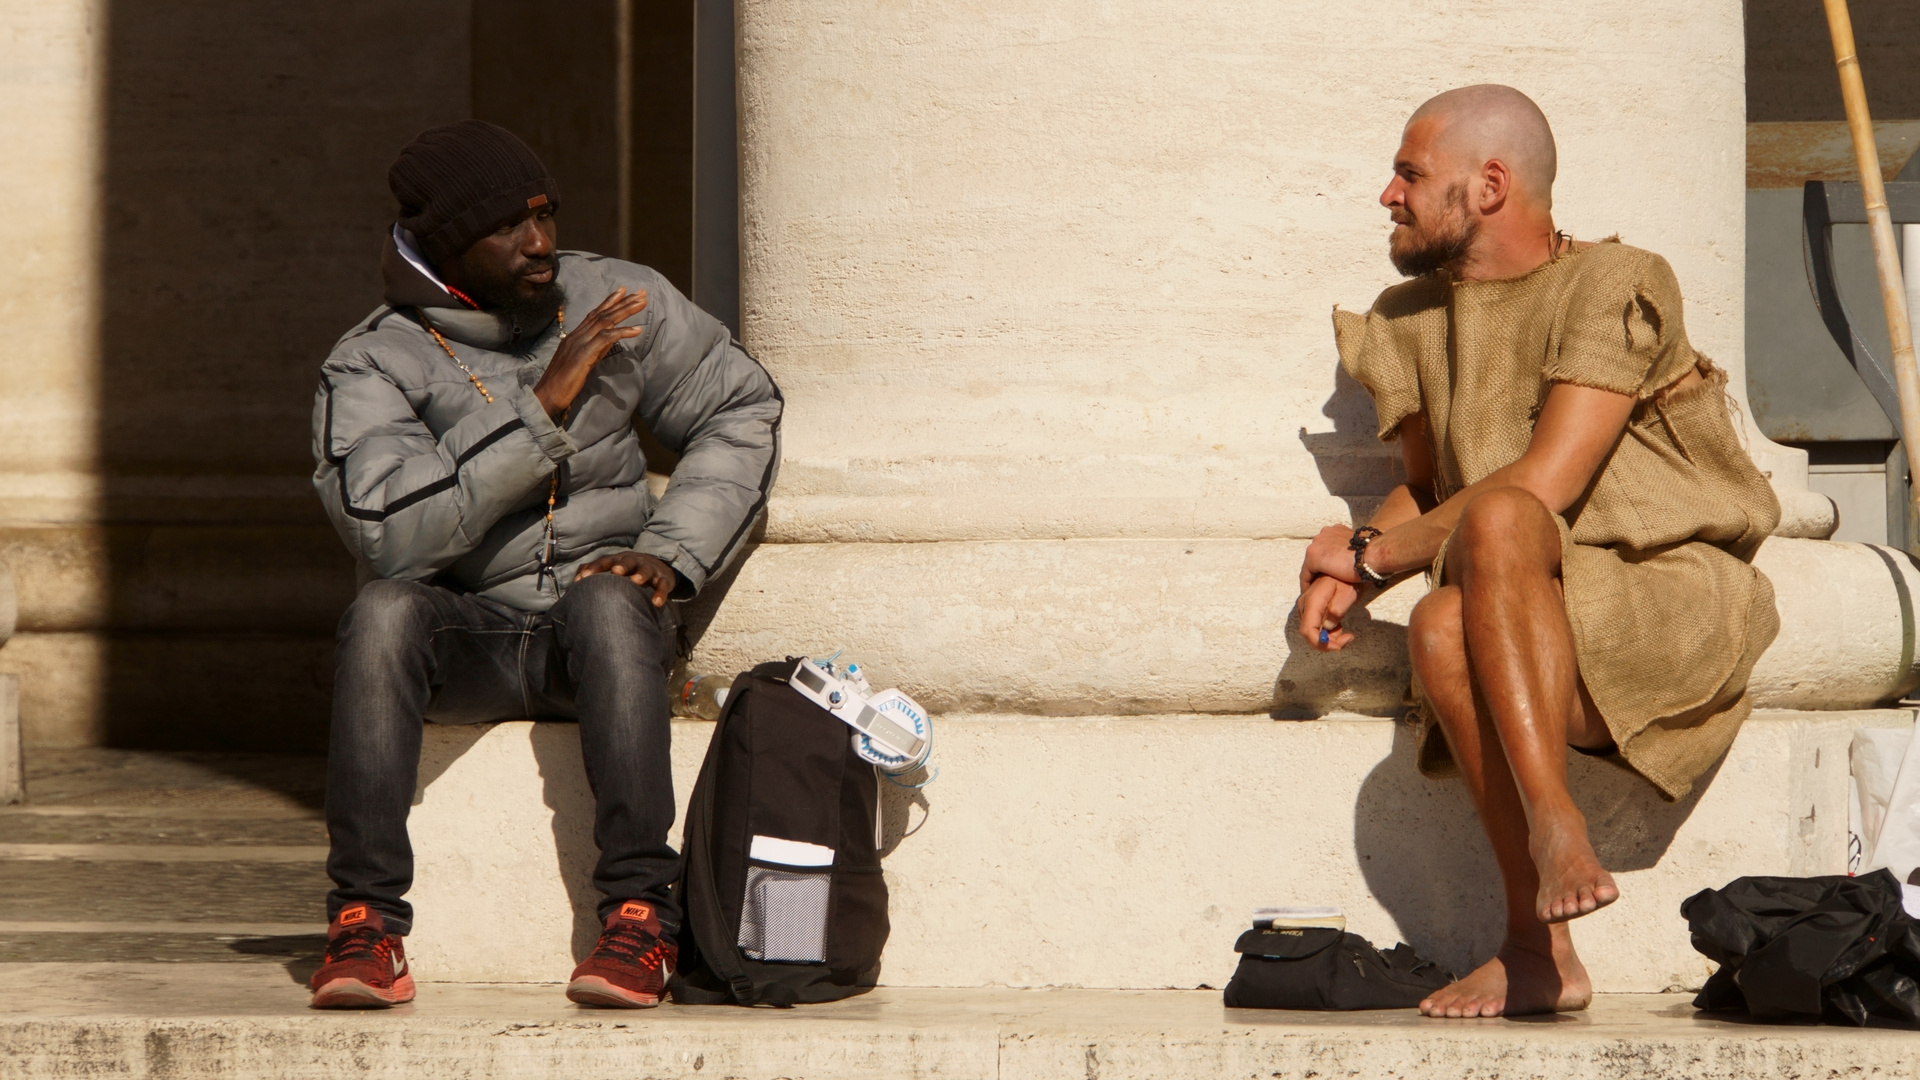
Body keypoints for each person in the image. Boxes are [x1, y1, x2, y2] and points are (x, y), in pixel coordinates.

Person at [1295, 86, 1779, 1018]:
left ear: (1488, 185)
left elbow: (1545, 481)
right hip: (1520, 605)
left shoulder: (1615, 279)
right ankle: (1537, 948)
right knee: (1439, 624)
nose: (1385, 196)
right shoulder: (1407, 316)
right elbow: (1433, 495)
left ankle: (1557, 816)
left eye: (1408, 173)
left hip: (1656, 590)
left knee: (1508, 519)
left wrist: (1375, 560)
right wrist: (1351, 551)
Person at [306, 121, 781, 1009]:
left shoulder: (618, 299)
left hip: (602, 640)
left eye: (546, 216)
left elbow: (741, 408)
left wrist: (670, 553)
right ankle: (365, 925)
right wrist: (542, 406)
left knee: (607, 603)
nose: (541, 245)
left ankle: (642, 914)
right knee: (383, 613)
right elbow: (389, 538)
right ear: (448, 244)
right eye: (510, 228)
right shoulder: (374, 359)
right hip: (472, 637)